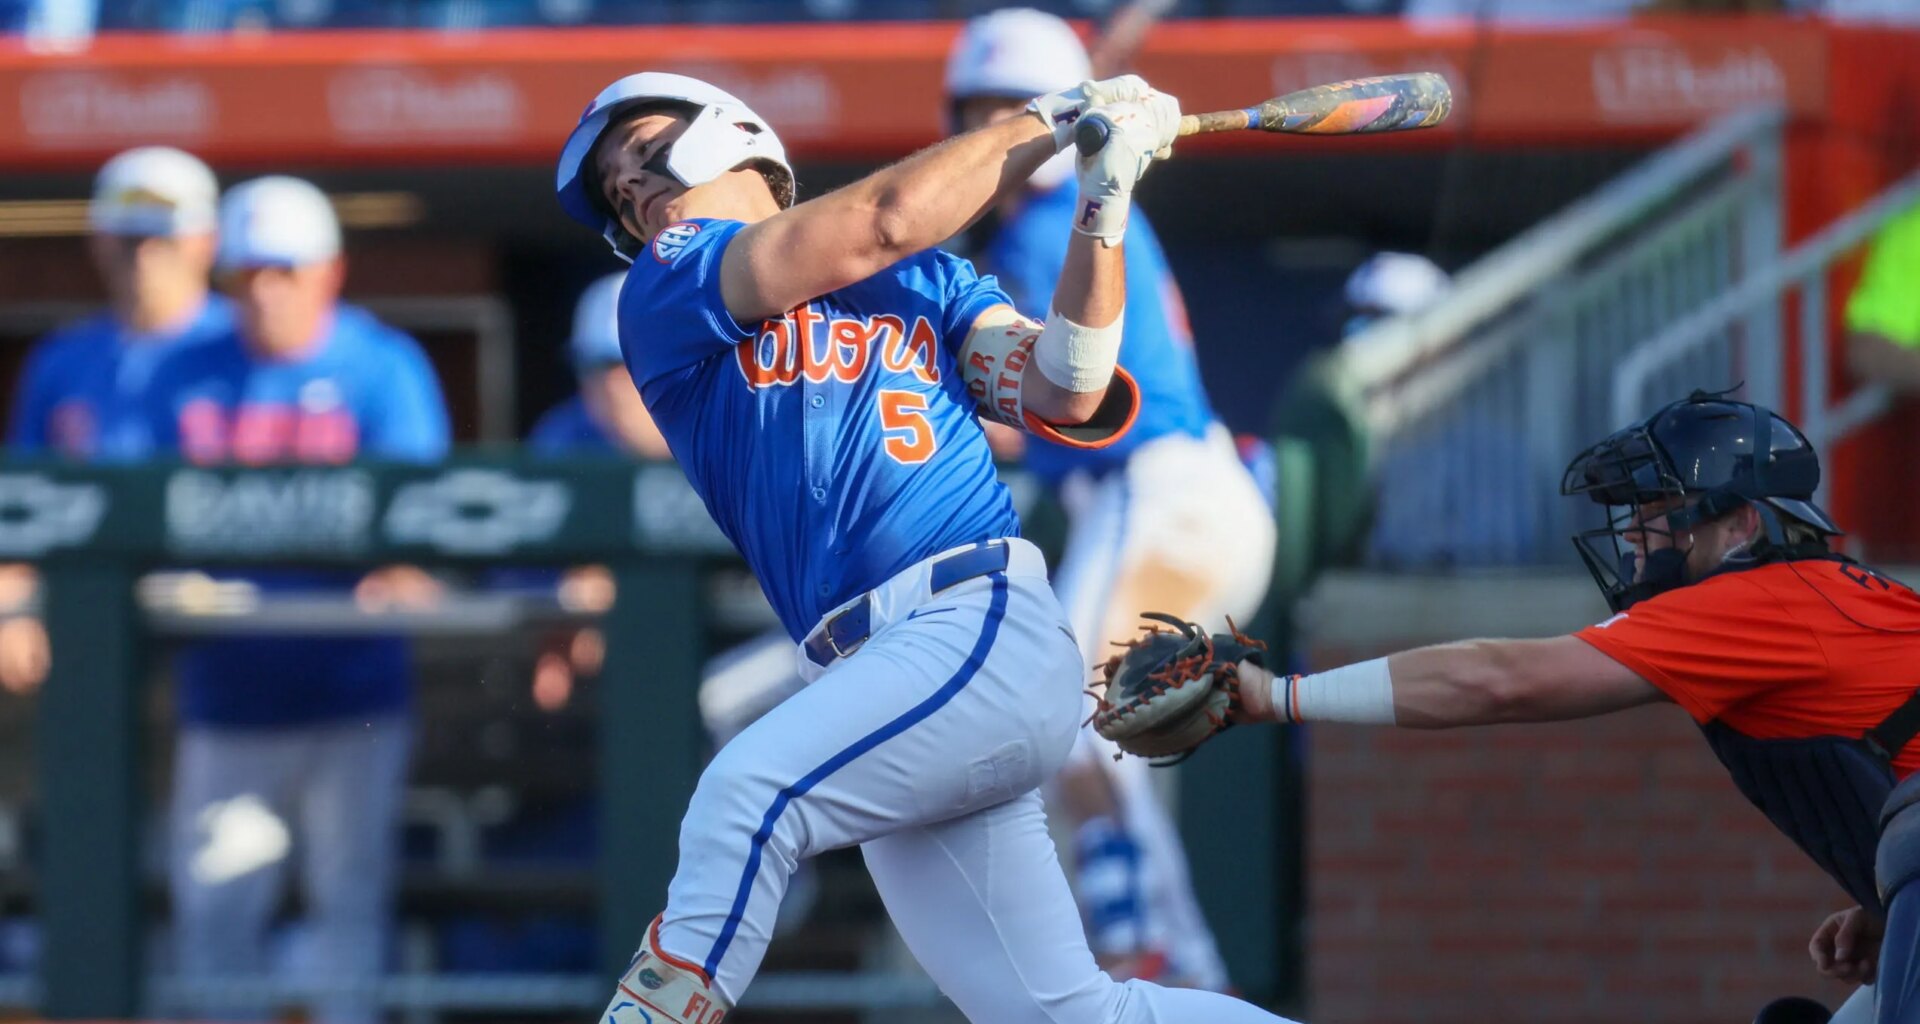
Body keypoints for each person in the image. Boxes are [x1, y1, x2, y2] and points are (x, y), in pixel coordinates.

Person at [555, 68, 1299, 1024]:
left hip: (971, 621)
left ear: (731, 135)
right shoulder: (670, 281)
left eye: (646, 152)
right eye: (618, 192)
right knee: (1065, 1015)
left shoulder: (927, 280)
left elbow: (1067, 390)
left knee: (747, 794)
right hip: (877, 673)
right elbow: (889, 215)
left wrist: (1102, 204)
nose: (635, 188)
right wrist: (1053, 120)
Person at [1112, 390, 1920, 1021]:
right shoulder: (1810, 598)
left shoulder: (1756, 603)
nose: (1636, 536)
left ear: (1742, 523)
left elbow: (1500, 679)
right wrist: (1887, 902)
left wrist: (1280, 695)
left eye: (1659, 514)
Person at [941, 7, 1272, 989]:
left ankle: (1178, 971)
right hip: (1169, 503)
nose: (1000, 126)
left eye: (1018, 108)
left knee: (1084, 721)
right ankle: (1134, 957)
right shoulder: (1067, 216)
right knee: (1070, 746)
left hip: (1159, 489)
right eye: (984, 109)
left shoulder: (1051, 227)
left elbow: (1041, 403)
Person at [141, 175, 450, 1024]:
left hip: (355, 695)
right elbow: (125, 508)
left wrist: (403, 566)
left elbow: (424, 522)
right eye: (248, 274)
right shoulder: (186, 369)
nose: (266, 292)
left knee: (347, 905)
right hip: (228, 697)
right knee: (215, 913)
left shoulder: (381, 364)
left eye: (285, 271)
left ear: (328, 272)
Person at [1, 146, 233, 693]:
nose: (145, 258)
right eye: (129, 241)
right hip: (92, 632)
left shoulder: (242, 348)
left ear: (205, 243)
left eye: (164, 239)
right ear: (100, 244)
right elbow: (22, 506)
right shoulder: (63, 360)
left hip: (227, 632)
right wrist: (13, 604)